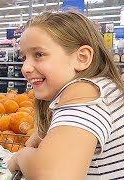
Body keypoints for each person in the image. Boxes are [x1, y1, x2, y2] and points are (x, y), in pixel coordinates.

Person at [7, 11, 124, 179]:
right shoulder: (102, 89)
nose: (25, 68)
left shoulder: (86, 93)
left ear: (82, 58)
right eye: (24, 57)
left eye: (39, 55)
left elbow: (52, 174)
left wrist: (20, 157)